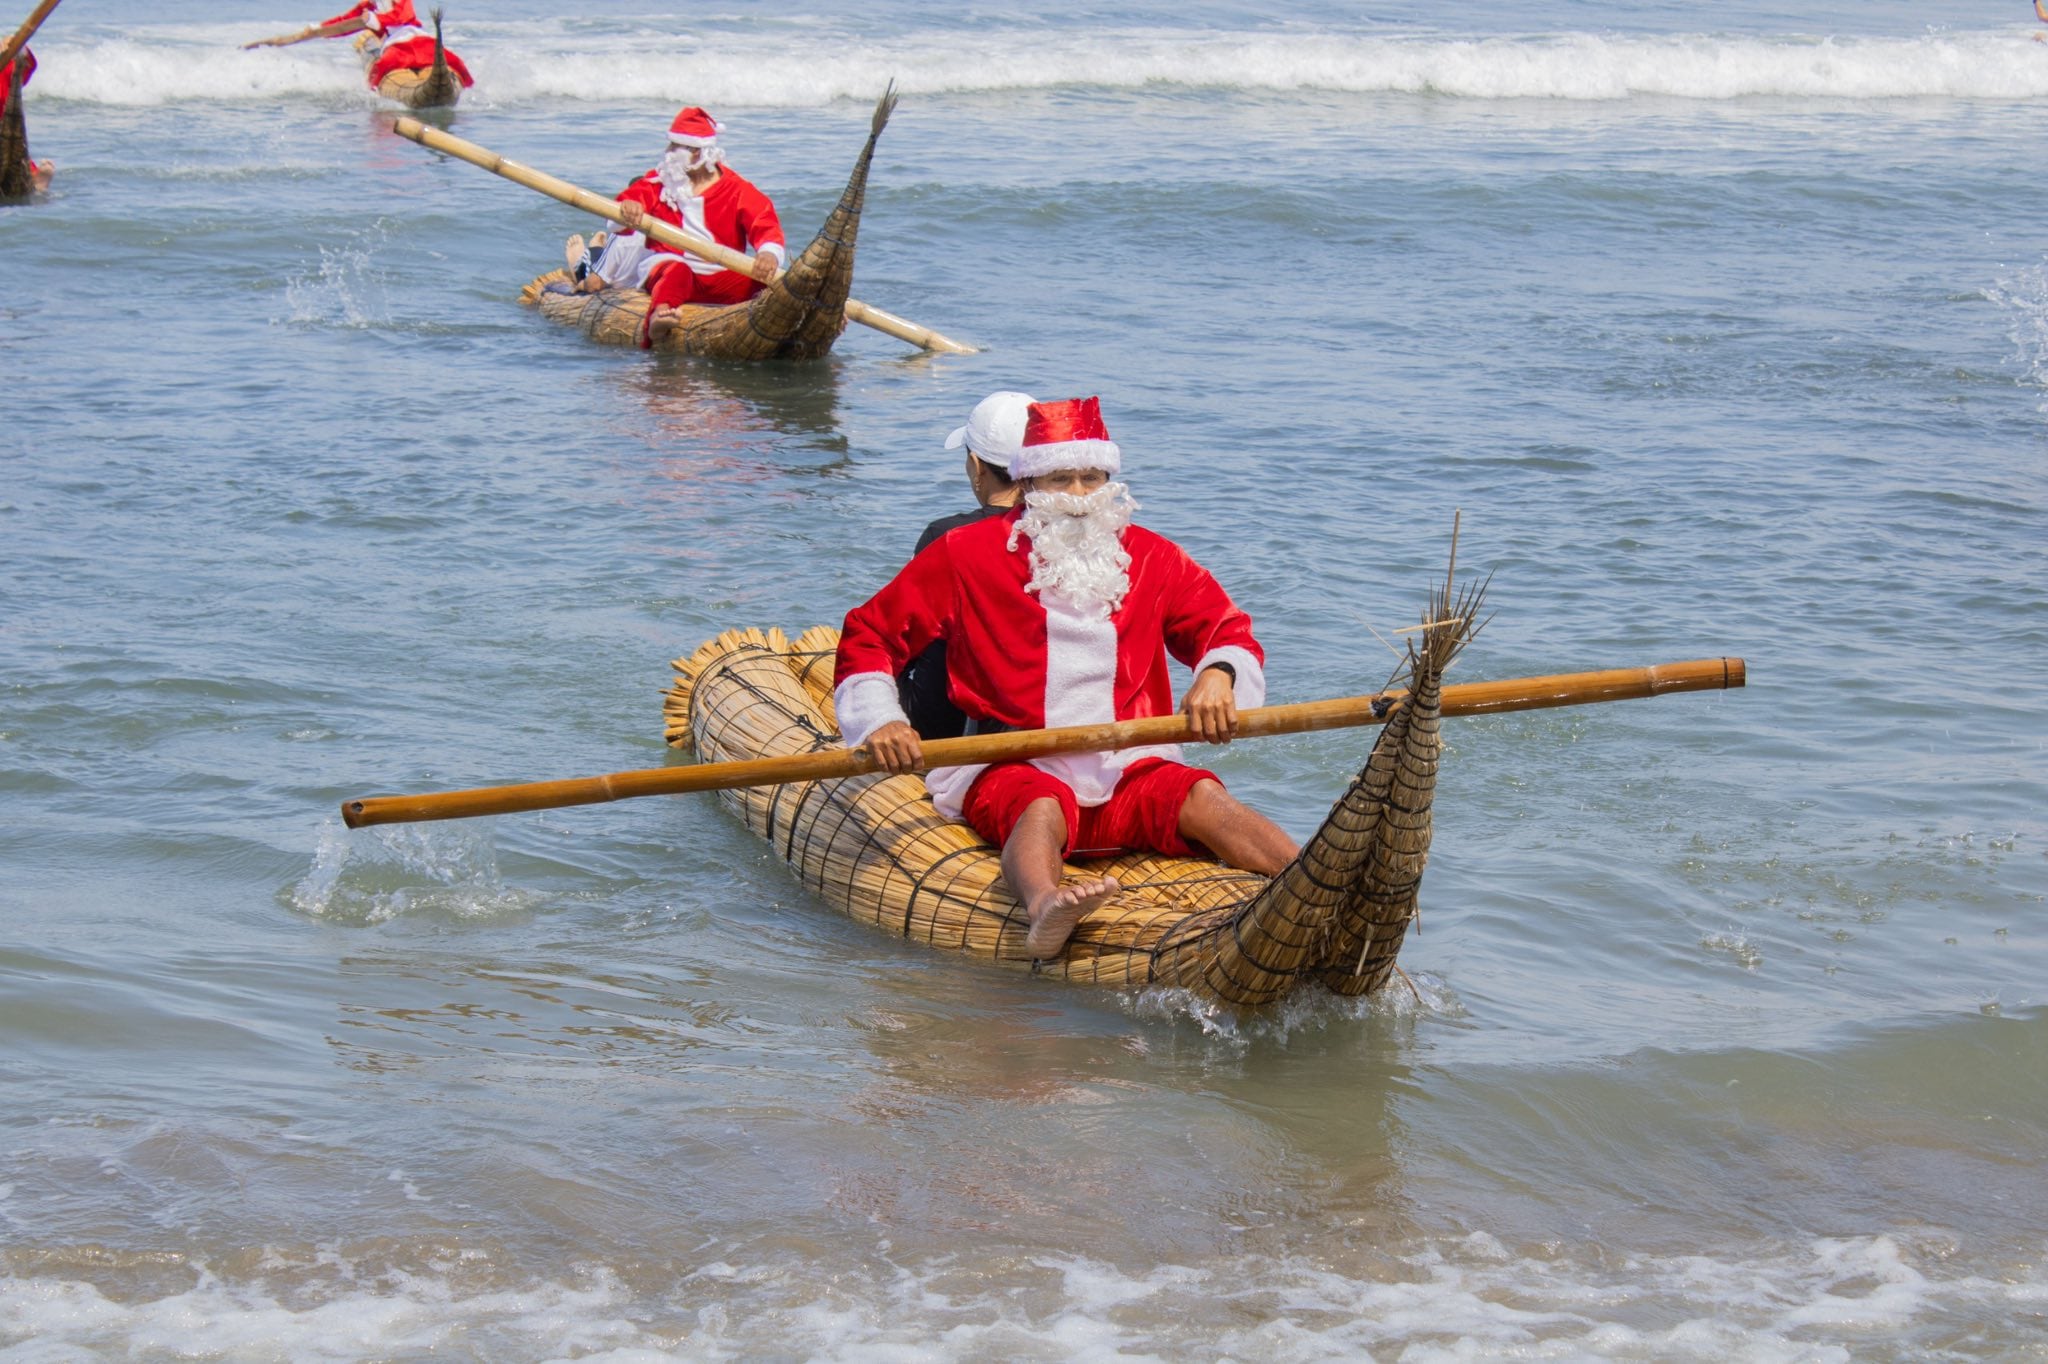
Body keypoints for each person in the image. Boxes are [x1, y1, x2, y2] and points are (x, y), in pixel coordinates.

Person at [834, 396, 1300, 959]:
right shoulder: (964, 554)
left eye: (1091, 477)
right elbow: (870, 634)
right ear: (1029, 485)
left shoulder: (1152, 557)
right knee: (1039, 809)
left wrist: (1220, 673)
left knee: (1203, 797)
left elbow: (1225, 627)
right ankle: (1044, 908)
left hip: (1130, 762)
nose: (1079, 496)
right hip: (1015, 758)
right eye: (1061, 479)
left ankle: (1316, 884)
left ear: (1110, 481)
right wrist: (881, 720)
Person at [572, 107, 786, 349]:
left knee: (767, 284)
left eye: (675, 147)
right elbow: (625, 206)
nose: (668, 153)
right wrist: (628, 208)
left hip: (720, 272)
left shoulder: (737, 189)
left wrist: (768, 253)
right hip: (669, 267)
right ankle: (660, 316)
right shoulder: (659, 181)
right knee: (677, 271)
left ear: (696, 152)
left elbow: (764, 223)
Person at [897, 391, 1036, 740]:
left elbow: (903, 637)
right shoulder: (1064, 533)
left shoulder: (945, 536)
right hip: (1037, 713)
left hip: (948, 726)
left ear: (976, 465)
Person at [316, 1, 475, 94]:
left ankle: (462, 87)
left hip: (417, 38)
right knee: (381, 67)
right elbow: (344, 23)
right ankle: (377, 94)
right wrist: (318, 29)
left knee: (452, 60)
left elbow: (401, 16)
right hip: (395, 46)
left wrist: (374, 19)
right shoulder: (367, 6)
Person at [0, 47, 54, 195]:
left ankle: (36, 182)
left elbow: (27, 64)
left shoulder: (4, 66)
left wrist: (17, 47)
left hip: (6, 136)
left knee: (19, 162)